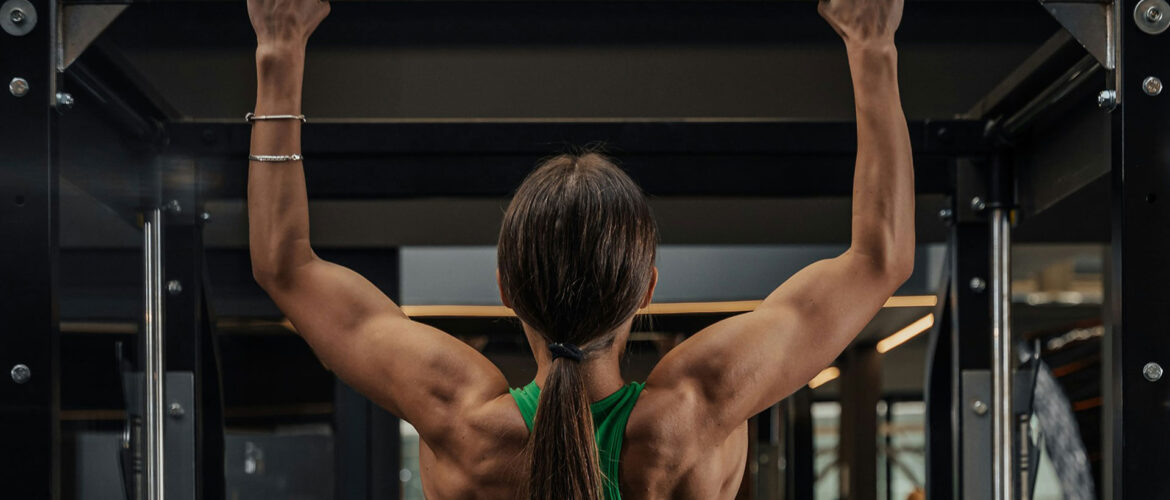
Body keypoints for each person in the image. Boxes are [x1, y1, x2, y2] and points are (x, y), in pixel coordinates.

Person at [245, 0, 913, 496]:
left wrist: (280, 52)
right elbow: (879, 259)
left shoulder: (460, 418)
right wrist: (872, 45)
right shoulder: (695, 408)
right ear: (645, 287)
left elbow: (285, 264)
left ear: (506, 286)